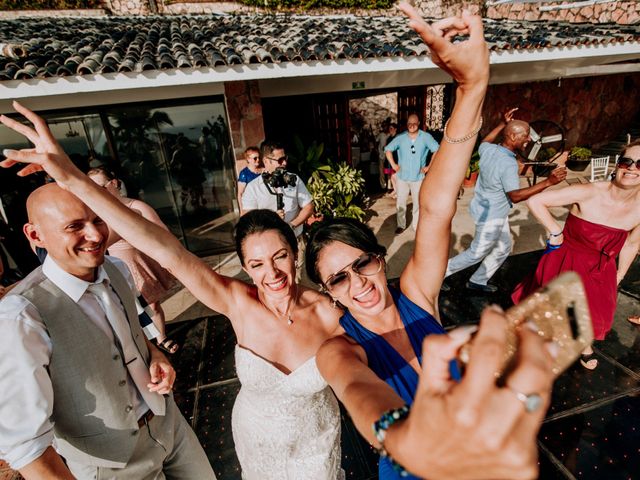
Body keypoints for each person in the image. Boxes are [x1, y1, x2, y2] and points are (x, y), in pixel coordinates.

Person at [0, 108, 343, 479]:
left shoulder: (330, 311)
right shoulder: (236, 301)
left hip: (305, 444)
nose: (272, 272)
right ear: (244, 267)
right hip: (235, 445)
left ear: (295, 253)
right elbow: (167, 249)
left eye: (280, 256)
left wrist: (151, 352)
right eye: (257, 263)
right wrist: (72, 176)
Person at [304, 4, 555, 479]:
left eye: (363, 264)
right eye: (338, 278)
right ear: (329, 292)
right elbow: (357, 390)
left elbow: (437, 210)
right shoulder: (338, 349)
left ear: (380, 259)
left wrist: (471, 89)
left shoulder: (419, 294)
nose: (358, 283)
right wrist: (401, 433)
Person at [0, 183, 214, 479]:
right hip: (110, 466)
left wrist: (155, 355)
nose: (96, 235)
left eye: (97, 219)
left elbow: (133, 335)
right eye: (75, 226)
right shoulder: (22, 316)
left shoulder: (118, 269)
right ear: (35, 235)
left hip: (171, 427)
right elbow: (26, 447)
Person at [512, 142, 640, 370]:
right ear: (618, 164)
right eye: (627, 162)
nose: (632, 168)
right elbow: (536, 201)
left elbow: (631, 244)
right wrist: (555, 230)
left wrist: (619, 274)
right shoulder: (590, 191)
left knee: (591, 312)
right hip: (567, 260)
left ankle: (583, 346)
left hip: (601, 268)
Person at [443, 109, 568, 293]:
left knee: (503, 247)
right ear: (512, 136)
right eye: (525, 136)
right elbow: (515, 196)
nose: (529, 139)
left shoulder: (489, 149)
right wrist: (548, 182)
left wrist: (502, 123)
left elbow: (484, 140)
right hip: (491, 216)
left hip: (488, 210)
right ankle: (435, 275)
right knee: (476, 253)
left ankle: (478, 280)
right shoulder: (508, 163)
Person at [87, 167, 179, 354]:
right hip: (117, 268)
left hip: (140, 264)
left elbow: (163, 233)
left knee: (152, 304)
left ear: (114, 183)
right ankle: (143, 344)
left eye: (101, 187)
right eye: (93, 189)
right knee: (128, 311)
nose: (98, 192)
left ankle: (161, 338)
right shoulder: (95, 214)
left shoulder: (135, 207)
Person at [241, 141, 313, 238]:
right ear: (266, 161)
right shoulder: (253, 188)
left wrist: (291, 226)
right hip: (269, 244)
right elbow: (248, 220)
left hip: (296, 239)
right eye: (280, 160)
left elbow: (308, 206)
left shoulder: (294, 179)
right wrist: (270, 219)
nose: (284, 163)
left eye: (285, 158)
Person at [385, 114, 439, 233]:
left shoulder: (426, 137)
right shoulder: (401, 137)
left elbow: (436, 149)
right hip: (402, 177)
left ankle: (416, 226)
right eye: (409, 124)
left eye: (414, 123)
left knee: (417, 203)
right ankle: (401, 225)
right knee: (400, 202)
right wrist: (394, 165)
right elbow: (387, 150)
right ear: (407, 124)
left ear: (419, 123)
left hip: (418, 177)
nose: (412, 126)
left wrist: (429, 167)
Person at [236, 146, 262, 214]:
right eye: (255, 158)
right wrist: (242, 212)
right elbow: (240, 194)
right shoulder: (244, 174)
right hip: (251, 206)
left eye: (259, 157)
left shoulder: (262, 170)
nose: (258, 160)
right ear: (248, 159)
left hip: (263, 203)